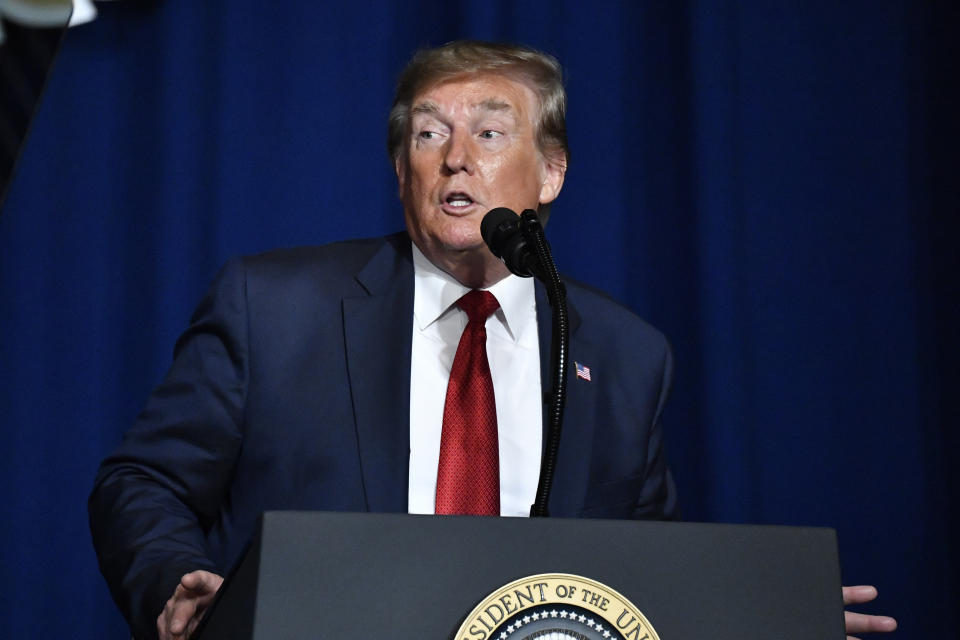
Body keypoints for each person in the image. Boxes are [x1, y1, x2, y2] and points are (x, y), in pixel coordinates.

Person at [88, 41, 896, 640]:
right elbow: (142, 480)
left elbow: (642, 577)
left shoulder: (622, 354)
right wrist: (170, 584)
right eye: (429, 136)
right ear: (401, 170)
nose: (455, 160)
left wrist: (767, 618)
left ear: (552, 173)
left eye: (490, 133)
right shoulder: (274, 307)